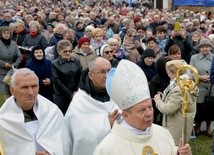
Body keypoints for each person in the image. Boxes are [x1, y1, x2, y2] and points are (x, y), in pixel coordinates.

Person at [93, 59, 192, 155]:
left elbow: (170, 150)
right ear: (126, 115)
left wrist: (178, 153)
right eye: (142, 110)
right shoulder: (107, 149)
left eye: (150, 107)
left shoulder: (162, 133)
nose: (149, 113)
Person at [0, 68, 71, 155]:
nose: (30, 92)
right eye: (24, 87)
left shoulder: (52, 112)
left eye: (34, 86)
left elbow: (64, 143)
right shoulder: (3, 120)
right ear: (12, 90)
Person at [65, 57, 119, 155]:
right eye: (102, 72)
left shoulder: (118, 92)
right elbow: (81, 136)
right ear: (91, 75)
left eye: (109, 71)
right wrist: (107, 125)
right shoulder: (80, 101)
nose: (107, 76)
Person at [154, 60, 198, 145]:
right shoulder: (186, 82)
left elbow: (169, 109)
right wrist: (165, 97)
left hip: (176, 127)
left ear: (175, 73)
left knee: (175, 149)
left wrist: (158, 101)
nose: (168, 75)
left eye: (169, 72)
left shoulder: (179, 88)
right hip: (181, 124)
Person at [190, 38, 214, 136]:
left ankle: (209, 128)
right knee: (198, 109)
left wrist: (211, 77)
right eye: (203, 47)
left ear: (210, 48)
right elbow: (190, 72)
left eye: (207, 47)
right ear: (200, 48)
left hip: (211, 87)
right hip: (199, 87)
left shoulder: (213, 57)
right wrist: (200, 77)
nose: (205, 49)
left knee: (210, 108)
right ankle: (197, 128)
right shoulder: (194, 58)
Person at [52, 39, 82, 114]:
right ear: (59, 52)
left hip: (77, 95)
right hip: (62, 98)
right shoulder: (55, 64)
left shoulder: (76, 61)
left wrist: (77, 91)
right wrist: (70, 94)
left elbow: (81, 76)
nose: (68, 53)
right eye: (65, 51)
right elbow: (57, 82)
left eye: (69, 51)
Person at [0, 26, 22, 103]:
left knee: (14, 93)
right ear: (1, 34)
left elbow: (19, 56)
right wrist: (3, 64)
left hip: (12, 72)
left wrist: (14, 65)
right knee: (3, 94)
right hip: (1, 73)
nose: (6, 35)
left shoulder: (13, 44)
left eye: (8, 33)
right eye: (4, 33)